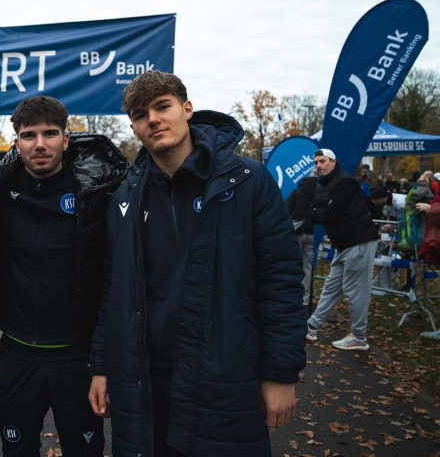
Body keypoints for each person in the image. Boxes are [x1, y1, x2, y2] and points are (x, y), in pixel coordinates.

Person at [87, 71, 306, 457]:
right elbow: (113, 292)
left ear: (187, 109)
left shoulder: (247, 181)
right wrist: (102, 366)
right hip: (144, 382)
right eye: (140, 114)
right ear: (133, 127)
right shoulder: (125, 198)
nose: (153, 119)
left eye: (163, 106)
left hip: (223, 376)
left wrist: (280, 374)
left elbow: (281, 282)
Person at [0, 95, 127, 456]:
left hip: (77, 356)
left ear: (66, 139)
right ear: (17, 143)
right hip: (17, 352)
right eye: (29, 135)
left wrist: (102, 361)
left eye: (50, 133)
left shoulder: (99, 191)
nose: (39, 144)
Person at [305, 148, 379, 350]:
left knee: (355, 292)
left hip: (358, 241)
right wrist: (323, 209)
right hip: (342, 244)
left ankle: (359, 337)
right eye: (316, 162)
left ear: (333, 161)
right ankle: (312, 326)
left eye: (322, 161)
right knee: (331, 287)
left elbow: (330, 213)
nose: (318, 165)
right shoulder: (323, 184)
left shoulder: (345, 182)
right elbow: (313, 211)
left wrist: (322, 210)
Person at [286, 176, 317, 305]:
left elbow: (286, 209)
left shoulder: (297, 192)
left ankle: (291, 294)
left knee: (292, 264)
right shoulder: (319, 193)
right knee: (308, 266)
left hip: (296, 233)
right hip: (313, 233)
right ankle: (305, 298)